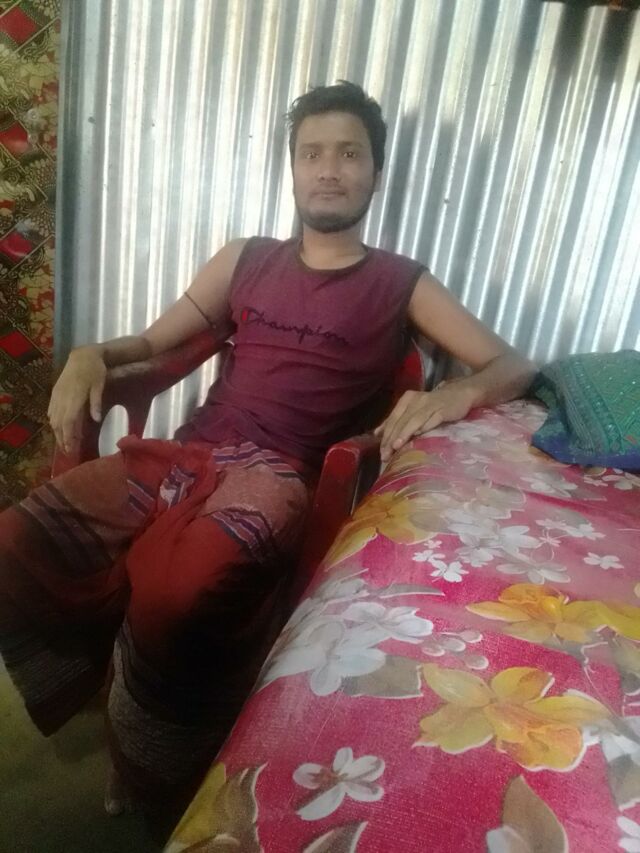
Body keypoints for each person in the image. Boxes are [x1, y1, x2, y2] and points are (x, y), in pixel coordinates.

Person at [0, 82, 536, 820]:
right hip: (187, 454)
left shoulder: (400, 282)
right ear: (292, 168)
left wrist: (457, 394)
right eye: (311, 153)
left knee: (179, 592)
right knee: (17, 537)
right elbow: (153, 341)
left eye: (349, 154)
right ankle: (98, 669)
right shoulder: (244, 259)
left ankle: (151, 757)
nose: (328, 170)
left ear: (376, 172)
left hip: (281, 477)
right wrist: (90, 353)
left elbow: (514, 364)